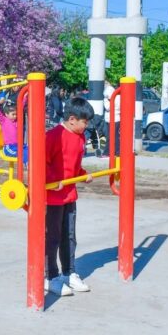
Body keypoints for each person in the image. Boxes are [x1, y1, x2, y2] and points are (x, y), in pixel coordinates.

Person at [45, 97, 96, 297]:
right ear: (72, 119)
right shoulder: (53, 136)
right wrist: (51, 179)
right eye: (85, 122)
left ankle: (69, 272)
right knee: (53, 237)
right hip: (53, 196)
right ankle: (50, 276)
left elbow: (72, 164)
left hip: (69, 195)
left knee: (69, 236)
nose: (87, 126)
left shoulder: (80, 137)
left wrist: (82, 174)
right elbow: (41, 162)